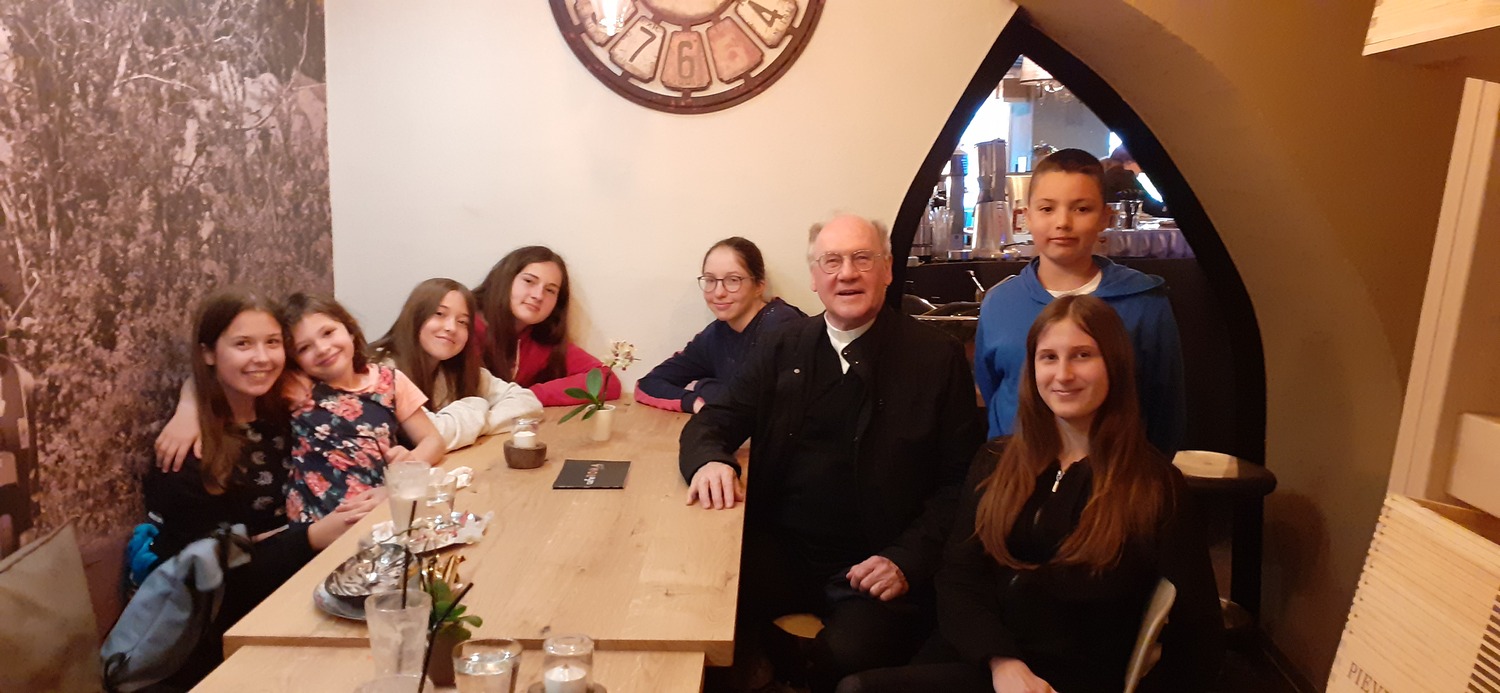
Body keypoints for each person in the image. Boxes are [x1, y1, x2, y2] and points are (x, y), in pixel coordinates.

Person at [837, 295, 1222, 693]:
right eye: (1048, 357)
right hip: (984, 658)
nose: (1063, 374)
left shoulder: (1155, 485)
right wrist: (1002, 662)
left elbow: (1198, 632)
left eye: (1082, 355)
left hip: (1066, 678)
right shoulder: (996, 460)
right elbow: (958, 577)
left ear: (1115, 365)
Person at [679, 214, 985, 691]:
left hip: (877, 559)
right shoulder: (783, 345)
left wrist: (906, 559)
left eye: (862, 258)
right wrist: (710, 460)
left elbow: (960, 482)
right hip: (784, 547)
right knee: (699, 602)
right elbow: (715, 420)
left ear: (887, 270)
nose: (847, 273)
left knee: (851, 656)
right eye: (831, 261)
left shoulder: (935, 357)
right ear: (814, 277)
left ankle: (788, 666)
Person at [138, 289, 381, 687]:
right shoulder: (187, 454)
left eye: (272, 343)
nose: (262, 357)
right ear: (208, 353)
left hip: (312, 596)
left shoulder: (288, 414)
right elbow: (213, 580)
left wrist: (386, 483)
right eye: (243, 344)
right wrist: (310, 537)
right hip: (226, 640)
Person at [975, 148, 1185, 455]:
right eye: (1047, 209)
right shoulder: (999, 303)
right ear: (1026, 216)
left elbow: (1165, 409)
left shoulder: (1143, 302)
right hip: (1016, 471)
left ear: (1105, 218)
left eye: (1081, 209)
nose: (1063, 222)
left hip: (1115, 473)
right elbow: (993, 387)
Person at [278, 292, 444, 521]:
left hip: (380, 511)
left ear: (349, 329)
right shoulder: (294, 391)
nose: (322, 348)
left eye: (328, 332)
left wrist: (409, 466)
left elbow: (433, 440)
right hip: (318, 523)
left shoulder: (389, 381)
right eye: (304, 348)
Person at [635, 237, 803, 413]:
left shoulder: (782, 326)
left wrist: (702, 386)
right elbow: (647, 384)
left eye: (733, 280)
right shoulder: (715, 335)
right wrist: (695, 402)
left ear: (759, 286)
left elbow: (763, 406)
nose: (718, 292)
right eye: (710, 280)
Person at [370, 278, 542, 450]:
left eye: (462, 322)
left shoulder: (457, 367)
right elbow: (433, 437)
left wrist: (480, 424)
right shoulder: (382, 374)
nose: (451, 328)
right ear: (415, 317)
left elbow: (528, 403)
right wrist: (477, 405)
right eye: (439, 314)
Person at [473, 246, 621, 406]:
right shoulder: (464, 327)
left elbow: (608, 381)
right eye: (529, 281)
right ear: (505, 279)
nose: (538, 295)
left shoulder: (543, 341)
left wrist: (529, 396)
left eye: (550, 290)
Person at [1102, 144, 1168, 218]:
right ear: (1129, 161)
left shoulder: (1108, 174)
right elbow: (1150, 206)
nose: (1141, 171)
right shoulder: (1122, 175)